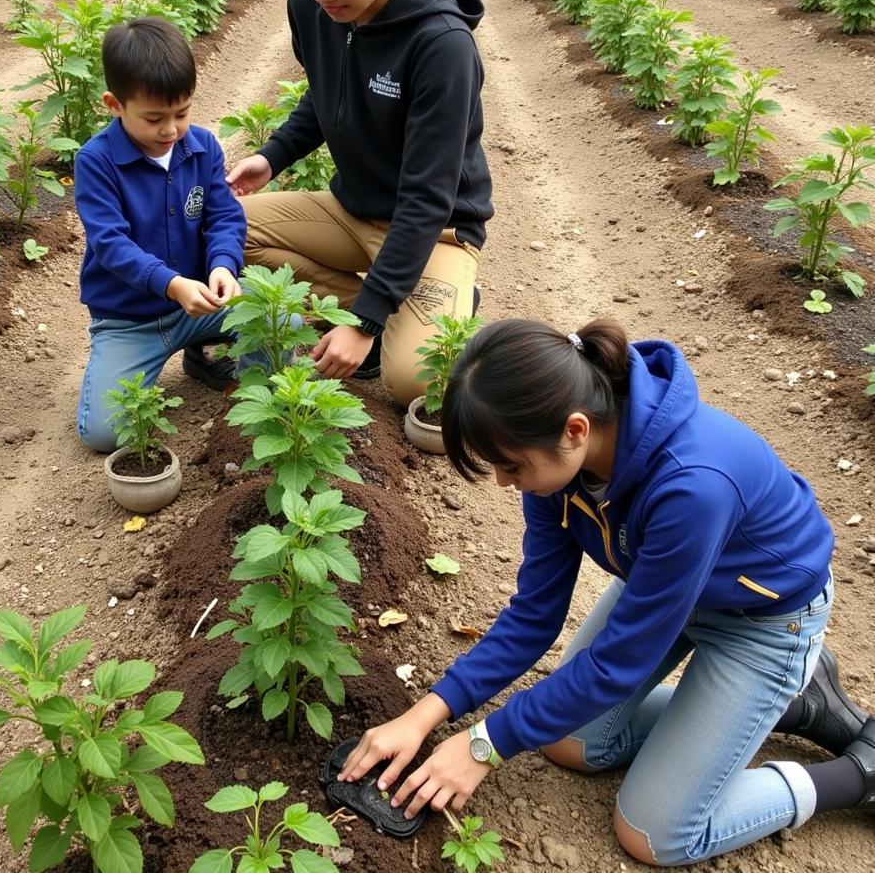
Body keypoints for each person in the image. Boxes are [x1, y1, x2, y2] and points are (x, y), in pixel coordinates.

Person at [340, 317, 875, 866]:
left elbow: (617, 663)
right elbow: (533, 617)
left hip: (762, 621)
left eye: (510, 466)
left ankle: (858, 775)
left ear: (574, 430)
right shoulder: (556, 467)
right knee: (570, 743)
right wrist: (424, 714)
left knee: (654, 834)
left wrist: (483, 745)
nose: (504, 482)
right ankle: (781, 707)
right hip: (663, 590)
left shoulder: (693, 484)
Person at [226, 0, 492, 408]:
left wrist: (364, 324)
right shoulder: (310, 6)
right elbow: (326, 96)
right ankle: (406, 307)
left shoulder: (441, 45)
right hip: (352, 211)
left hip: (436, 230)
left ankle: (436, 303)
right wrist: (272, 157)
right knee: (224, 228)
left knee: (412, 383)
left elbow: (427, 198)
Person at [73, 17, 246, 452]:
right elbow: (110, 245)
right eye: (154, 118)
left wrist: (223, 265)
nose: (170, 130)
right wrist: (171, 284)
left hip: (198, 308)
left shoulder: (202, 146)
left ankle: (211, 361)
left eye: (181, 114)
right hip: (130, 322)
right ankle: (141, 359)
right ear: (114, 104)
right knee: (105, 433)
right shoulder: (96, 162)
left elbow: (224, 216)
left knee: (280, 322)